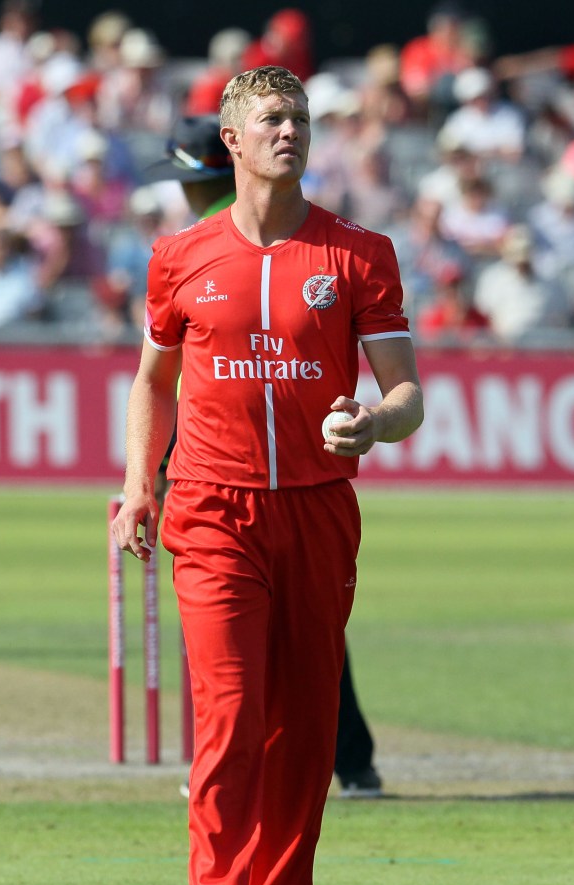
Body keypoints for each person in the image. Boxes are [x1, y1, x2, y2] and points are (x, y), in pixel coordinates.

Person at [111, 66, 423, 885]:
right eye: (271, 119)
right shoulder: (179, 255)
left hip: (319, 511)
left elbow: (406, 395)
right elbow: (153, 381)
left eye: (299, 118)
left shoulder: (358, 252)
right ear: (233, 141)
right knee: (230, 714)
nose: (289, 131)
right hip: (212, 510)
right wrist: (138, 487)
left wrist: (372, 422)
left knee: (303, 727)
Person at [149, 112, 386, 799]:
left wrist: (158, 468)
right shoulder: (216, 233)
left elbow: (177, 377)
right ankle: (347, 759)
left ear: (206, 175)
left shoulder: (211, 236)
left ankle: (241, 765)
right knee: (299, 638)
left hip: (231, 454)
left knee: (251, 645)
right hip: (237, 457)